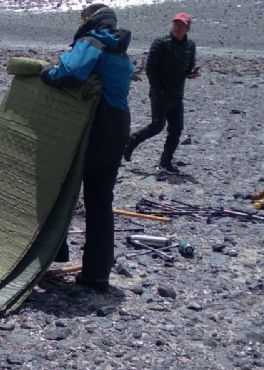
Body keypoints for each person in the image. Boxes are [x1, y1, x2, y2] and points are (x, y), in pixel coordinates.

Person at [41, 4, 133, 291]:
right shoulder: (120, 52)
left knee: (60, 185)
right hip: (118, 126)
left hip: (96, 125)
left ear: (91, 21)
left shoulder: (93, 42)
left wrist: (48, 74)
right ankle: (97, 272)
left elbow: (70, 72)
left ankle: (54, 251)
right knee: (100, 200)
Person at [123, 12, 199, 173]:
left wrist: (192, 73)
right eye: (176, 23)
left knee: (176, 129)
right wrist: (159, 92)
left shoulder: (190, 46)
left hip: (177, 95)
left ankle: (166, 161)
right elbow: (151, 69)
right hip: (160, 94)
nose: (177, 26)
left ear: (187, 28)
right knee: (157, 126)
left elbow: (188, 68)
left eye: (181, 24)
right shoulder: (160, 43)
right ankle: (131, 142)